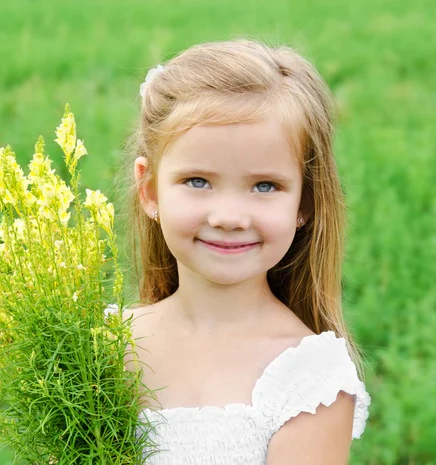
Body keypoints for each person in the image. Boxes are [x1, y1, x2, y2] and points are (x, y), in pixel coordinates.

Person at [110, 37, 371, 464]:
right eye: (197, 181)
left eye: (265, 186)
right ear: (150, 189)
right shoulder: (107, 345)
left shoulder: (309, 382)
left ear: (304, 203)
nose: (229, 216)